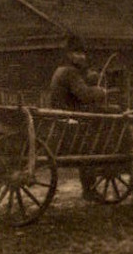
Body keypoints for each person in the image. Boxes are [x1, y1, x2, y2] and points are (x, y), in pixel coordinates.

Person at [48, 38, 112, 200]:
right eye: (77, 53)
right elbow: (83, 94)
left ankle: (89, 187)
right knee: (95, 141)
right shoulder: (70, 72)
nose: (82, 57)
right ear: (69, 55)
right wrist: (101, 91)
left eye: (83, 53)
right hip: (70, 122)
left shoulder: (61, 70)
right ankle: (89, 189)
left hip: (63, 119)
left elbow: (77, 91)